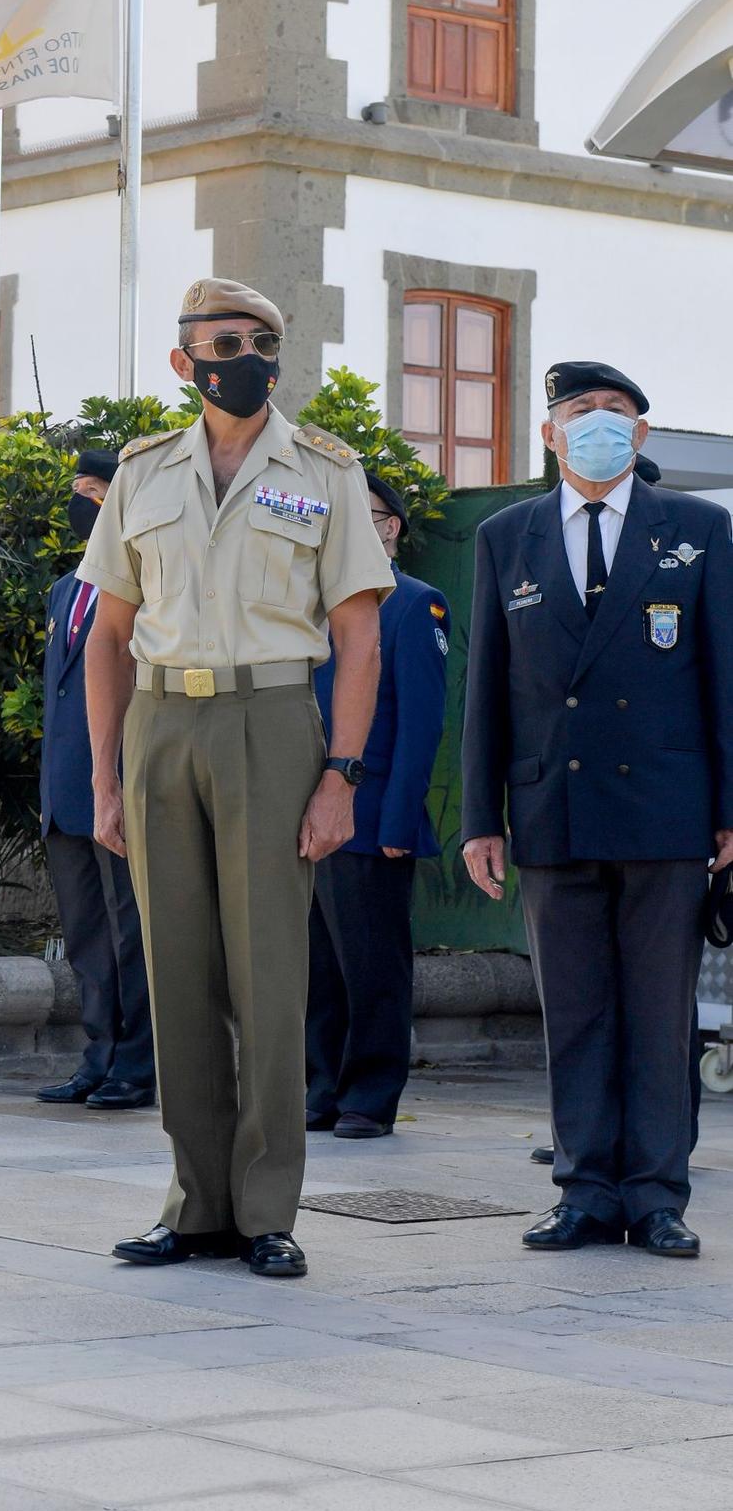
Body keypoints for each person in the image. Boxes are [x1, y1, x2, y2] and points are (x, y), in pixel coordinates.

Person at [80, 277, 393, 1278]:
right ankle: (194, 1201)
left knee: (266, 973)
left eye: (262, 339)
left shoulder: (322, 470)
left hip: (269, 721)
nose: (247, 355)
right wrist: (103, 774)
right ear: (185, 361)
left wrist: (339, 773)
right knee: (175, 975)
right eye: (226, 340)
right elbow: (107, 634)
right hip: (161, 722)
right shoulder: (143, 471)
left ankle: (265, 1208)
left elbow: (356, 636)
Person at [463, 362, 733, 1258]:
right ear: (549, 434)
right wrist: (480, 816)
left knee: (659, 1011)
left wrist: (730, 810)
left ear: (643, 436)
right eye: (581, 411)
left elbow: (724, 678)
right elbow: (488, 691)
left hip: (666, 810)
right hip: (554, 807)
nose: (600, 424)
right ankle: (584, 1189)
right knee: (573, 1011)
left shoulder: (697, 528)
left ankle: (657, 1195)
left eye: (617, 412)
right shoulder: (508, 537)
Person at [307, 473, 449, 1138]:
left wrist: (397, 820)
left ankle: (370, 1093)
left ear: (390, 527)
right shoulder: (313, 603)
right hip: (307, 818)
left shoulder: (415, 605)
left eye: (361, 516)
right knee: (317, 966)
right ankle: (320, 1086)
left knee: (373, 966)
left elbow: (421, 726)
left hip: (371, 820)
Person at [37, 450, 154, 1110]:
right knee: (86, 937)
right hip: (67, 792)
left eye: (94, 491)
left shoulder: (142, 581)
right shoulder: (64, 589)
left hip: (119, 787)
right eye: (76, 489)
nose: (82, 501)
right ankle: (99, 1054)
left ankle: (138, 1064)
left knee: (130, 933)